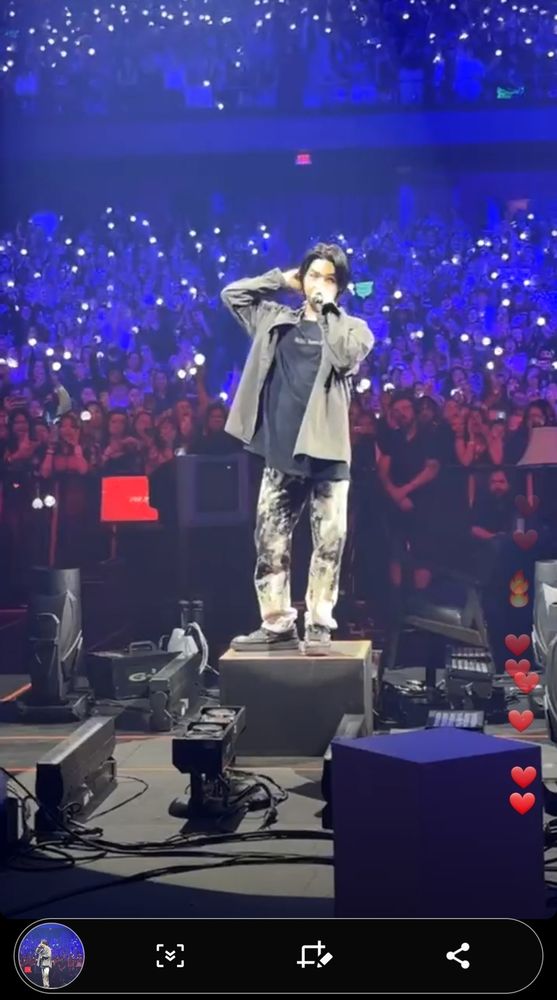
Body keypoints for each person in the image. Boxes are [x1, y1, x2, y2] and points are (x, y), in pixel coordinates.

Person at [221, 243, 374, 654]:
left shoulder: (354, 328)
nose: (320, 285)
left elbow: (344, 356)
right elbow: (232, 295)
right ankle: (276, 624)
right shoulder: (275, 320)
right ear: (301, 280)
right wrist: (278, 280)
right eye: (313, 276)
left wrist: (328, 311)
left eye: (329, 278)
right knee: (270, 540)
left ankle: (320, 624)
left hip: (328, 453)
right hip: (283, 451)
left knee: (329, 541)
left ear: (340, 286)